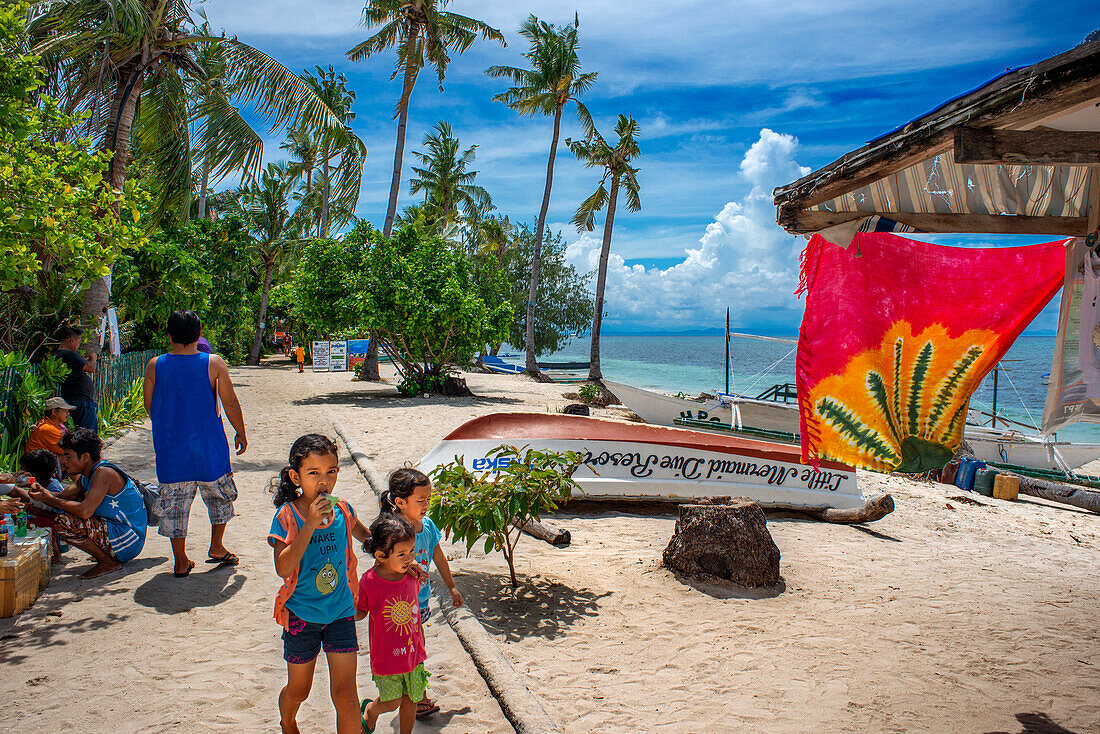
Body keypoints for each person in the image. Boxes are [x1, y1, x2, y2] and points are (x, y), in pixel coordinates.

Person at [269, 434, 370, 734]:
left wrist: (398, 551)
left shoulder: (343, 509)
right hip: (302, 617)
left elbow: (370, 539)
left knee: (346, 696)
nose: (324, 480)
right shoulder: (287, 517)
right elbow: (282, 567)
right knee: (300, 691)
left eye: (331, 471)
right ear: (295, 476)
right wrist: (310, 524)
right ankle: (287, 719)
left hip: (340, 613)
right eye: (314, 473)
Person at [144, 310, 247, 577]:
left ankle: (180, 561)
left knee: (174, 506)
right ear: (198, 334)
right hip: (209, 447)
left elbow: (149, 406)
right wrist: (240, 431)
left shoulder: (156, 365)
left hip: (171, 450)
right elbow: (230, 402)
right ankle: (216, 547)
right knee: (219, 497)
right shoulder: (213, 363)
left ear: (169, 335)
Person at [381, 468, 462, 718]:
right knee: (413, 649)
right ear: (400, 502)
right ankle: (417, 699)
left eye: (429, 499)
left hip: (422, 600)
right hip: (400, 605)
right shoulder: (394, 531)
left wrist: (451, 585)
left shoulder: (427, 525)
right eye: (421, 500)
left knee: (417, 647)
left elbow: (437, 554)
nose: (426, 505)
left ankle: (414, 696)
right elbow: (382, 565)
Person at [27, 428, 146, 578]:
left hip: (129, 539)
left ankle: (107, 561)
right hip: (120, 532)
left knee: (64, 521)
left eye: (68, 456)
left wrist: (49, 499)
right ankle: (106, 556)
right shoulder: (88, 475)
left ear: (85, 457)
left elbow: (84, 511)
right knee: (65, 510)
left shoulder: (103, 473)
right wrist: (43, 494)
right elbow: (62, 497)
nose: (64, 462)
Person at [357, 514, 429, 734]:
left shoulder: (412, 576)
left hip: (413, 652)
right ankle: (371, 710)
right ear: (380, 555)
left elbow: (414, 613)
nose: (409, 558)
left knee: (411, 698)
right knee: (392, 701)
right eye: (401, 554)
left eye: (411, 552)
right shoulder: (370, 581)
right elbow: (360, 611)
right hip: (387, 656)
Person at [55, 325, 98, 432]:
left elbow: (79, 364)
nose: (78, 346)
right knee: (88, 433)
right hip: (82, 400)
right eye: (78, 343)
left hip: (72, 397)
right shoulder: (70, 354)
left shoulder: (58, 354)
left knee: (78, 432)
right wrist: (93, 358)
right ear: (71, 341)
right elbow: (90, 368)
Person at [26, 397, 72, 476]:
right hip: (35, 467)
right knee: (69, 456)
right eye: (65, 411)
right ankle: (79, 483)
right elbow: (68, 449)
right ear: (54, 412)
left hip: (39, 462)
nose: (67, 414)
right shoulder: (48, 429)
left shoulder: (52, 425)